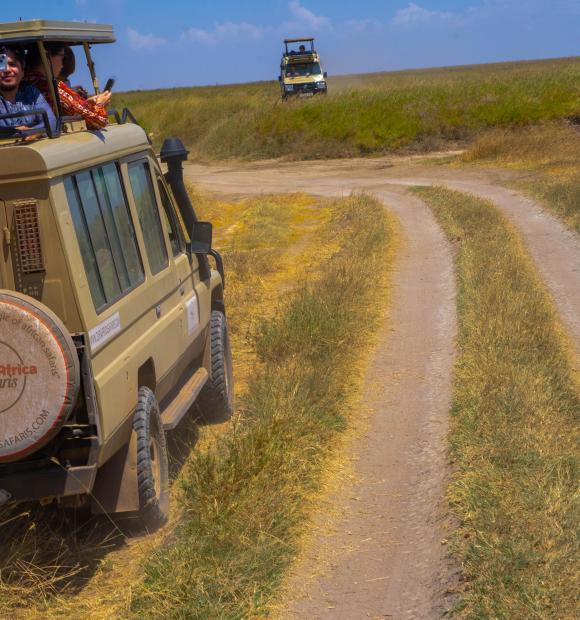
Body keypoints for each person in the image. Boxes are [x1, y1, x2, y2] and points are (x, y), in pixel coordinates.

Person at [26, 43, 111, 130]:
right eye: (62, 57)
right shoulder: (51, 88)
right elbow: (98, 121)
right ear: (48, 57)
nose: (62, 65)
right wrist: (100, 104)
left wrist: (88, 103)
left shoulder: (24, 82)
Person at [0, 46, 56, 134]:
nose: (7, 70)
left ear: (22, 70)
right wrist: (16, 132)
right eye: (1, 65)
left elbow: (51, 122)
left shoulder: (32, 93)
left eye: (12, 64)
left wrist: (33, 132)